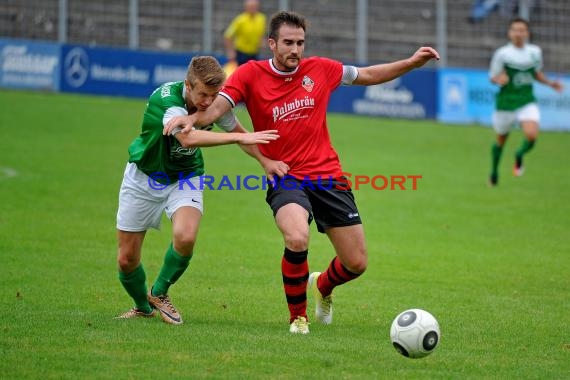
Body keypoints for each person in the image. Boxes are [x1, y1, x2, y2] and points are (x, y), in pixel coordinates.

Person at [164, 11, 439, 334]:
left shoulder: (321, 69)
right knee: (296, 236)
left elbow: (367, 75)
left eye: (300, 43)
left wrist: (410, 63)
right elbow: (219, 108)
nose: (295, 50)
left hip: (327, 175)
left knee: (356, 263)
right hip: (284, 175)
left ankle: (322, 285)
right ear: (272, 44)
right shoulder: (249, 74)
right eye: (288, 43)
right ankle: (299, 317)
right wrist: (192, 119)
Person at [115, 56, 283, 324]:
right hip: (144, 177)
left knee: (186, 236)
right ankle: (142, 308)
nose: (207, 102)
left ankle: (159, 293)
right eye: (202, 94)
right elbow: (187, 136)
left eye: (214, 95)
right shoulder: (166, 99)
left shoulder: (215, 105)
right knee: (126, 259)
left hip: (185, 176)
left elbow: (240, 132)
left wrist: (266, 162)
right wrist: (238, 137)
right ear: (188, 85)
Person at [488, 17, 563, 186]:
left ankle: (519, 155)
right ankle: (493, 173)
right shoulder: (503, 54)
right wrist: (499, 79)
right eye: (515, 30)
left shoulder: (535, 52)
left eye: (522, 30)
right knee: (501, 139)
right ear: (509, 33)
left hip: (526, 99)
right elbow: (493, 76)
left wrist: (551, 84)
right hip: (506, 101)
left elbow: (536, 74)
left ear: (527, 33)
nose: (518, 33)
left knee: (531, 135)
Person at [224, 0, 266, 66]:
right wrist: (231, 52)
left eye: (255, 6)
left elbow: (262, 32)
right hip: (242, 53)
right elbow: (228, 36)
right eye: (251, 7)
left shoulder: (261, 18)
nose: (253, 8)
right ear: (246, 7)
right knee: (243, 73)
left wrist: (262, 41)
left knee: (255, 73)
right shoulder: (240, 20)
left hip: (255, 52)